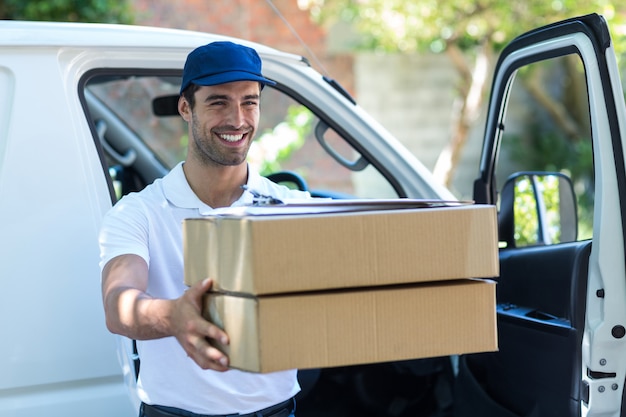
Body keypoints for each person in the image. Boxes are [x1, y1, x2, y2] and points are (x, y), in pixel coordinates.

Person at [99, 41, 310, 417]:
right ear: (186, 108)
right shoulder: (139, 212)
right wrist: (174, 316)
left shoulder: (290, 208)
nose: (238, 119)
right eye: (218, 102)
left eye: (249, 101)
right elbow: (119, 305)